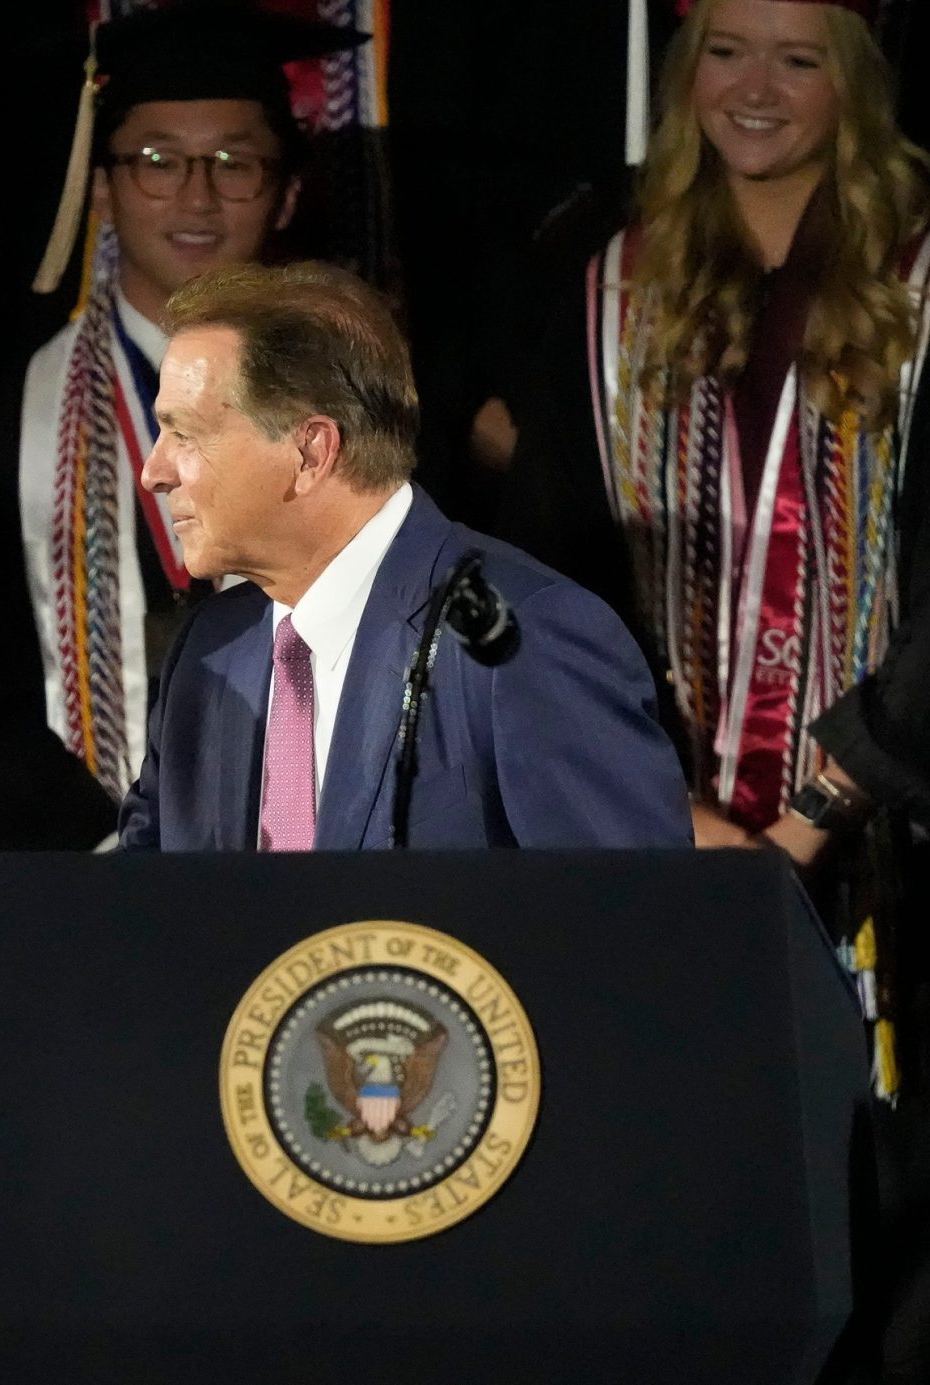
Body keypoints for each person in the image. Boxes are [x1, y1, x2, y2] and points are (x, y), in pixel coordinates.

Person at [497, 2, 929, 1375]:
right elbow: (544, 586)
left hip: (891, 859)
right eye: (726, 53)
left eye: (799, 59)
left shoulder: (926, 276)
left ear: (853, 84)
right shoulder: (601, 279)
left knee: (887, 1241)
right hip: (656, 847)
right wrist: (673, 815)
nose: (756, 89)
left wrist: (807, 822)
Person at [0, 2, 365, 885]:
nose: (197, 197)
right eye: (157, 161)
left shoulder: (359, 417)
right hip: (77, 877)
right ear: (104, 186)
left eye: (236, 162)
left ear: (289, 191)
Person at [116, 260, 692, 852]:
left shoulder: (521, 640)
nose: (154, 472)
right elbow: (145, 909)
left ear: (311, 451)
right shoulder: (210, 650)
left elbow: (630, 923)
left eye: (184, 434)